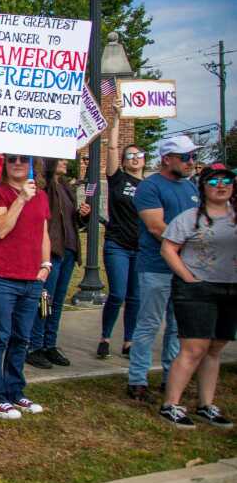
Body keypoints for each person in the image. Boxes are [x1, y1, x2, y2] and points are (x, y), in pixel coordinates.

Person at [157, 163, 236, 429]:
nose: (221, 186)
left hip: (229, 288)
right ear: (203, 187)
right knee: (194, 347)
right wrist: (188, 277)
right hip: (196, 290)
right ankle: (171, 403)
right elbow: (168, 249)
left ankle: (206, 404)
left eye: (226, 181)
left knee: (215, 348)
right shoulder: (190, 218)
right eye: (214, 182)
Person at [126, 135, 200, 402]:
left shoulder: (191, 188)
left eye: (192, 157)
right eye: (185, 157)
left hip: (186, 268)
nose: (191, 162)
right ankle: (137, 380)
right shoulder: (150, 186)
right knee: (149, 323)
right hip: (157, 266)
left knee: (177, 326)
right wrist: (188, 247)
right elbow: (156, 226)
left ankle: (172, 376)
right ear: (167, 159)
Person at [0, 154, 51, 420]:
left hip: (32, 278)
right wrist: (20, 199)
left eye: (24, 159)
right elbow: (0, 229)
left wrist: (46, 265)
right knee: (0, 337)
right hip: (1, 277)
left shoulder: (41, 196)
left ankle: (14, 390)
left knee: (22, 338)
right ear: (5, 164)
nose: (18, 163)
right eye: (12, 159)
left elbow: (43, 232)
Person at [27, 158, 90, 369]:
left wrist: (83, 217)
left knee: (58, 300)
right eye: (61, 159)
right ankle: (34, 345)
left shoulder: (65, 187)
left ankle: (49, 343)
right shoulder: (44, 188)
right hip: (52, 251)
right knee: (45, 300)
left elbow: (71, 221)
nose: (66, 162)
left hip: (69, 250)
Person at [98, 115, 145, 359]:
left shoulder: (151, 185)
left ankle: (129, 341)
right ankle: (105, 337)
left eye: (139, 154)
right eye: (130, 155)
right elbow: (113, 147)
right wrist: (115, 120)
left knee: (135, 296)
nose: (135, 158)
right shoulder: (118, 179)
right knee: (117, 293)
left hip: (142, 248)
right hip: (117, 244)